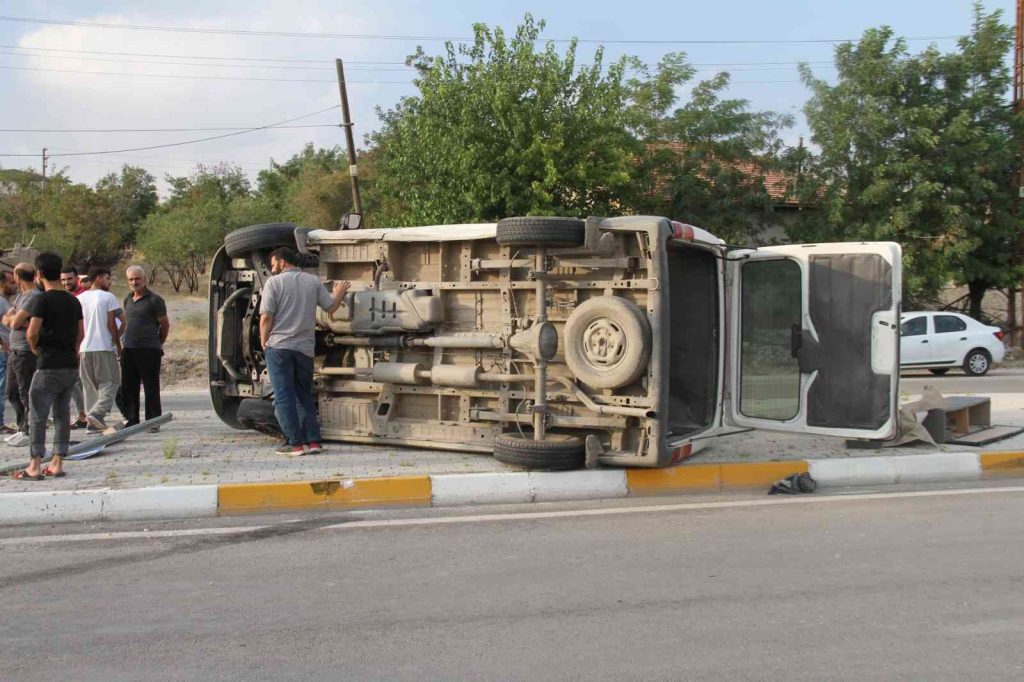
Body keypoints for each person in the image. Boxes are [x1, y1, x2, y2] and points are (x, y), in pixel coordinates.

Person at [259, 247, 349, 456]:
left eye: (273, 264)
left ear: (282, 262)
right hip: (305, 349)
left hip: (279, 347)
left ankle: (294, 443)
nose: (272, 268)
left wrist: (264, 341)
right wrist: (338, 294)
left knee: (283, 397)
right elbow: (330, 307)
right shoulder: (312, 281)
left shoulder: (274, 283)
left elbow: (266, 317)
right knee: (304, 395)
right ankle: (314, 441)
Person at [12, 252, 83, 480]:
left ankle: (34, 464)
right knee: (63, 414)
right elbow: (80, 334)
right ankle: (57, 462)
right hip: (69, 365)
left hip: (48, 365)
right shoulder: (73, 301)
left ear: (40, 273)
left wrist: (36, 349)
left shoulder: (41, 300)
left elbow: (32, 332)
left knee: (38, 415)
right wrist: (72, 351)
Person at [121, 265, 169, 428]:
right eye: (131, 279)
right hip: (129, 348)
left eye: (137, 279)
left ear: (144, 279)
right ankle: (132, 419)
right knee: (129, 386)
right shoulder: (128, 299)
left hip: (149, 349)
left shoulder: (155, 300)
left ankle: (153, 421)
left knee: (150, 386)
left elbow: (164, 325)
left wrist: (158, 343)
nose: (134, 282)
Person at [78, 266, 123, 433]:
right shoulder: (107, 297)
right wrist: (117, 343)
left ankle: (92, 424)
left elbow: (77, 327)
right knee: (111, 382)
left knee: (89, 386)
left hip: (84, 348)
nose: (109, 282)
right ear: (98, 278)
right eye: (107, 278)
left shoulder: (79, 299)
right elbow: (114, 323)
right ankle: (97, 413)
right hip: (103, 346)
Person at [3, 263, 41, 447]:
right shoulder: (20, 297)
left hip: (26, 351)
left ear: (18, 277)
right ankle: (21, 427)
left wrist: (14, 318)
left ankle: (29, 430)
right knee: (12, 391)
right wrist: (14, 318)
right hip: (14, 350)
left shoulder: (34, 297)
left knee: (26, 391)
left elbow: (14, 322)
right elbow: (7, 319)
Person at [61, 265, 89, 429]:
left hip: (81, 345)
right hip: (67, 345)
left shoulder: (83, 297)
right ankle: (83, 413)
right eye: (63, 279)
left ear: (77, 279)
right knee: (75, 381)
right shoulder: (63, 296)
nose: (66, 282)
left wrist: (79, 344)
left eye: (69, 279)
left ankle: (84, 414)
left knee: (78, 381)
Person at [0, 270, 17, 435]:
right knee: (2, 388)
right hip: (3, 352)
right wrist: (3, 343)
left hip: (7, 351)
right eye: (11, 283)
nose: (15, 285)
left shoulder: (6, 302)